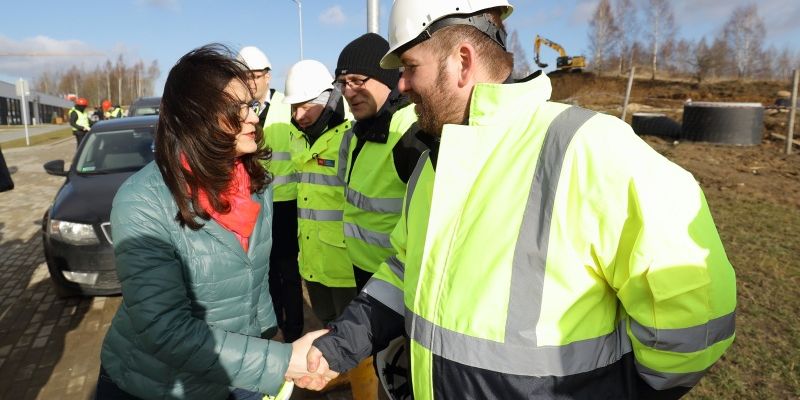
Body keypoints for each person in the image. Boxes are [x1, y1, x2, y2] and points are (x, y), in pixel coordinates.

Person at [300, 1, 738, 398]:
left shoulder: (587, 148)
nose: (403, 83)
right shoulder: (433, 164)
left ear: (462, 62)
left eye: (411, 65)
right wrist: (339, 345)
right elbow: (403, 269)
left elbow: (695, 312)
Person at [95, 43, 330, 400]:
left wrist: (272, 339)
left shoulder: (257, 183)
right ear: (197, 117)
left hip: (240, 375)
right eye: (238, 109)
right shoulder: (143, 201)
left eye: (251, 105)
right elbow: (163, 329)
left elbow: (254, 281)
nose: (253, 117)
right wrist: (280, 361)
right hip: (157, 384)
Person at [336, 32, 424, 292]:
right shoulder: (358, 131)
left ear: (387, 77)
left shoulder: (410, 131)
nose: (349, 92)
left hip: (396, 281)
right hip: (364, 272)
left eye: (356, 80)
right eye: (342, 83)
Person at [237, 46, 305, 343]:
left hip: (287, 203)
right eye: (245, 76)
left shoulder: (284, 106)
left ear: (267, 75)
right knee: (264, 270)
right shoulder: (239, 109)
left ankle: (295, 330)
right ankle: (273, 325)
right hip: (255, 203)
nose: (250, 82)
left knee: (289, 271)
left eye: (255, 75)